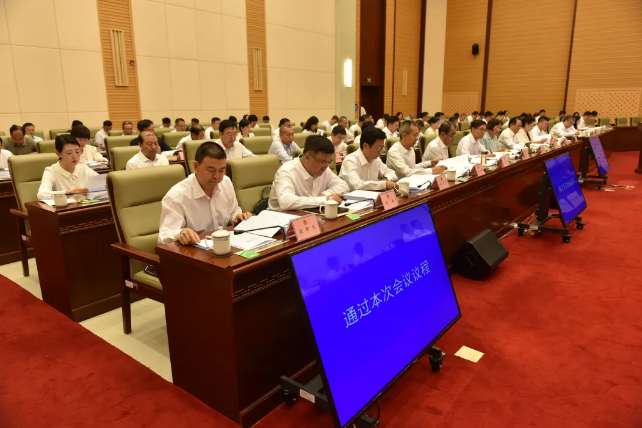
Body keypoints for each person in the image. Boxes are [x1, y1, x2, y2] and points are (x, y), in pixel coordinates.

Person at [158, 142, 252, 245]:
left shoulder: (226, 182)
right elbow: (163, 237)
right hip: (195, 251)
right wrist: (180, 233)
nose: (217, 176)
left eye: (221, 171)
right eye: (211, 170)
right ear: (195, 166)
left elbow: (234, 210)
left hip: (226, 245)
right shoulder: (177, 196)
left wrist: (237, 217)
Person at [268, 135, 349, 211]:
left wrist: (325, 195)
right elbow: (286, 202)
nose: (325, 166)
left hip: (310, 214)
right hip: (281, 217)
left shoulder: (324, 169)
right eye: (323, 162)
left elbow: (343, 186)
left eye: (329, 162)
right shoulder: (287, 171)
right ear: (307, 157)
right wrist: (324, 199)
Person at [36, 135, 99, 200]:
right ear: (58, 153)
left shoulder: (84, 168)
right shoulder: (51, 171)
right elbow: (41, 195)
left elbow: (101, 182)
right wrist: (68, 193)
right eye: (69, 153)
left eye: (77, 152)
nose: (74, 156)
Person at [339, 127, 397, 191]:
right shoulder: (350, 161)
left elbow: (391, 173)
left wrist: (386, 179)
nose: (380, 152)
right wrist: (383, 184)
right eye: (378, 148)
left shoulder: (376, 159)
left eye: (382, 148)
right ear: (365, 146)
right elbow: (356, 186)